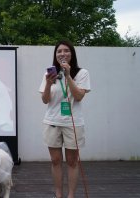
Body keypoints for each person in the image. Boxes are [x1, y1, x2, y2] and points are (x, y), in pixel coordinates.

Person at [39, 40, 91, 198]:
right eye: (59, 51)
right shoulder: (50, 73)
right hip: (52, 122)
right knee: (55, 160)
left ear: (72, 54)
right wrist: (48, 83)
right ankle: (58, 194)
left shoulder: (82, 73)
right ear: (55, 55)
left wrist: (68, 75)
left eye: (66, 51)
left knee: (72, 161)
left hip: (73, 123)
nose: (62, 54)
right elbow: (45, 100)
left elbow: (79, 96)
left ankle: (71, 195)